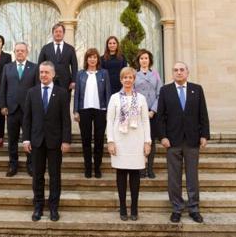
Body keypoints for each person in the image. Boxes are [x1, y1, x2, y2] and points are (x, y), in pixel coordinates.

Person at [157, 61, 210, 224]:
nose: (178, 72)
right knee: (174, 177)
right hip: (172, 141)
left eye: (182, 70)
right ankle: (177, 208)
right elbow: (161, 117)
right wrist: (163, 137)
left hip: (192, 140)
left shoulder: (197, 89)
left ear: (187, 72)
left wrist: (204, 135)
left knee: (192, 176)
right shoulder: (165, 90)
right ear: (172, 73)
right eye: (175, 70)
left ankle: (194, 208)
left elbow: (203, 114)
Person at [23, 61, 72, 222]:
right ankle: (38, 207)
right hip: (36, 141)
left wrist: (66, 140)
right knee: (37, 176)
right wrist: (26, 139)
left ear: (53, 74)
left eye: (46, 72)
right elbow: (27, 118)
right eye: (41, 72)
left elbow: (66, 119)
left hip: (55, 142)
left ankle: (53, 208)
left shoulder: (62, 93)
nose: (43, 75)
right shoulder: (32, 92)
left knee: (54, 176)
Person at [106, 67, 151, 222]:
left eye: (130, 77)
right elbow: (110, 121)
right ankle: (123, 207)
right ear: (121, 79)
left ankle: (134, 208)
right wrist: (110, 141)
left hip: (137, 141)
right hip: (120, 141)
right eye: (125, 77)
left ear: (134, 79)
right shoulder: (114, 98)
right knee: (121, 174)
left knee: (135, 175)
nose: (127, 80)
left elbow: (145, 121)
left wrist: (147, 142)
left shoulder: (141, 99)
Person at [0, 41, 38, 177]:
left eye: (22, 50)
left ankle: (31, 164)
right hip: (12, 110)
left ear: (27, 52)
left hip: (29, 110)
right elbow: (3, 88)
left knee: (29, 138)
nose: (20, 53)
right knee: (12, 139)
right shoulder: (7, 68)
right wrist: (3, 105)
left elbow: (37, 89)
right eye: (17, 51)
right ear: (14, 52)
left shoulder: (34, 67)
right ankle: (13, 165)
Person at [73, 48, 111, 178]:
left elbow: (108, 92)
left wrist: (108, 110)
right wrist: (75, 111)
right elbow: (77, 93)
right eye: (90, 57)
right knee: (86, 140)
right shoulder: (80, 74)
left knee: (99, 140)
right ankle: (88, 167)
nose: (92, 59)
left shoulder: (104, 73)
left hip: (101, 110)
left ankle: (97, 167)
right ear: (86, 59)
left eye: (95, 57)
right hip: (84, 111)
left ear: (97, 59)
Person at [134, 49, 162, 179]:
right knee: (139, 140)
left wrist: (153, 110)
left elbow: (159, 93)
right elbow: (130, 92)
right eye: (141, 58)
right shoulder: (134, 74)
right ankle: (141, 168)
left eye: (146, 58)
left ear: (149, 60)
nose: (144, 60)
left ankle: (150, 168)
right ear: (138, 61)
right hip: (138, 113)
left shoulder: (155, 74)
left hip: (152, 113)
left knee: (151, 141)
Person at [37, 22, 78, 93]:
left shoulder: (70, 49)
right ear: (53, 33)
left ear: (63, 33)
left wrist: (74, 81)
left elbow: (74, 66)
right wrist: (40, 80)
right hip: (49, 81)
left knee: (64, 103)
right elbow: (40, 65)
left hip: (66, 83)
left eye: (60, 31)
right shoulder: (45, 48)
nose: (58, 33)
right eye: (56, 32)